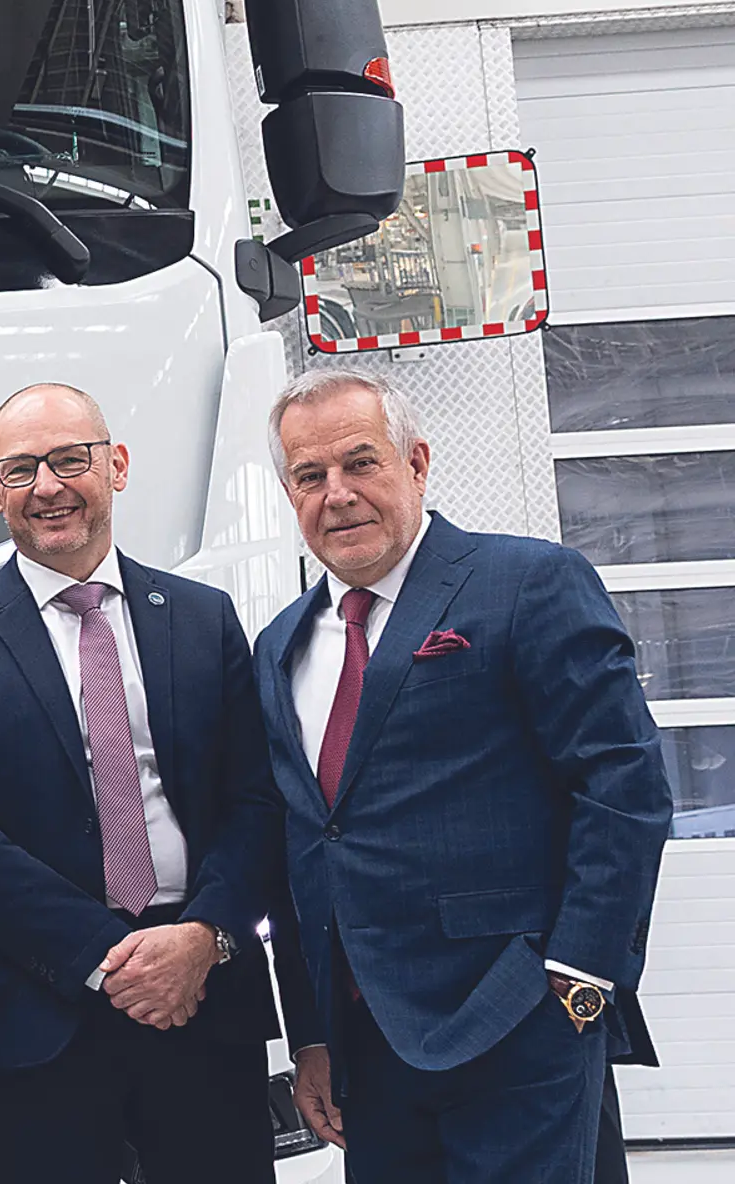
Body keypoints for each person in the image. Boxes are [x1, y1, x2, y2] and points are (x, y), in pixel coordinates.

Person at [258, 366, 671, 1183]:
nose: (337, 494)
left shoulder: (527, 582)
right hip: (368, 1046)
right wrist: (312, 1034)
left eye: (360, 462)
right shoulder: (279, 645)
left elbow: (622, 785)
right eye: (310, 475)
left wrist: (580, 983)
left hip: (518, 1020)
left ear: (416, 463)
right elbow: (300, 846)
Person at [0, 384, 285, 1184]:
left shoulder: (203, 618)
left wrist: (204, 937)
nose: (47, 486)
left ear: (117, 466)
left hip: (201, 986)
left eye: (70, 459)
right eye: (21, 469)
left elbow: (256, 800)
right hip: (40, 997)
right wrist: (108, 958)